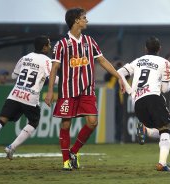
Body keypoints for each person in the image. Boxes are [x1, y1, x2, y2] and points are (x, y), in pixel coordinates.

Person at [44, 8, 125, 171]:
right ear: (76, 21)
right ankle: (66, 161)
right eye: (84, 18)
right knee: (66, 125)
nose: (86, 20)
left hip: (87, 90)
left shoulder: (90, 41)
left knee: (93, 122)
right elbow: (54, 69)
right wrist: (51, 91)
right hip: (68, 91)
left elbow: (102, 61)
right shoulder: (62, 44)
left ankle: (73, 152)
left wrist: (119, 77)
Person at [0, 36, 53, 163]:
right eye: (49, 44)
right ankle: (11, 147)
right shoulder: (47, 60)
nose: (50, 47)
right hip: (30, 96)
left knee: (1, 119)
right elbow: (52, 78)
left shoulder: (25, 57)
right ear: (44, 47)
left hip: (15, 93)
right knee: (34, 122)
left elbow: (14, 75)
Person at [117, 36, 170, 172]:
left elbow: (119, 72)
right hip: (153, 96)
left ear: (145, 49)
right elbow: (165, 89)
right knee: (165, 129)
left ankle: (146, 130)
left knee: (158, 131)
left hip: (137, 102)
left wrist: (130, 90)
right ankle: (162, 163)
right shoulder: (164, 62)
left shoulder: (137, 61)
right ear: (160, 49)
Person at [104, 60, 125, 143]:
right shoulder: (110, 74)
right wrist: (113, 68)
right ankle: (110, 138)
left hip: (120, 100)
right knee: (110, 119)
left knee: (119, 119)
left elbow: (127, 77)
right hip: (110, 99)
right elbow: (105, 78)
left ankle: (118, 138)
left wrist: (121, 69)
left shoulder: (121, 74)